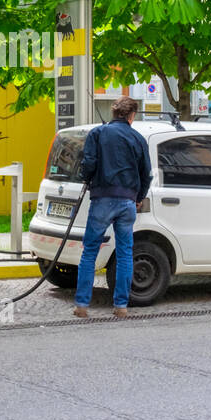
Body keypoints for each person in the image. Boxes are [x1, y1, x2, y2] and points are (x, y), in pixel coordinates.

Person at [74, 96, 152, 319]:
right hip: (127, 201)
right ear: (132, 116)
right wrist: (139, 197)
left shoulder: (98, 134)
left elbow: (88, 163)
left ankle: (81, 305)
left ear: (114, 113)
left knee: (90, 251)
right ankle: (120, 307)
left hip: (102, 199)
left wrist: (86, 178)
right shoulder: (138, 139)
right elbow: (146, 173)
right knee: (126, 252)